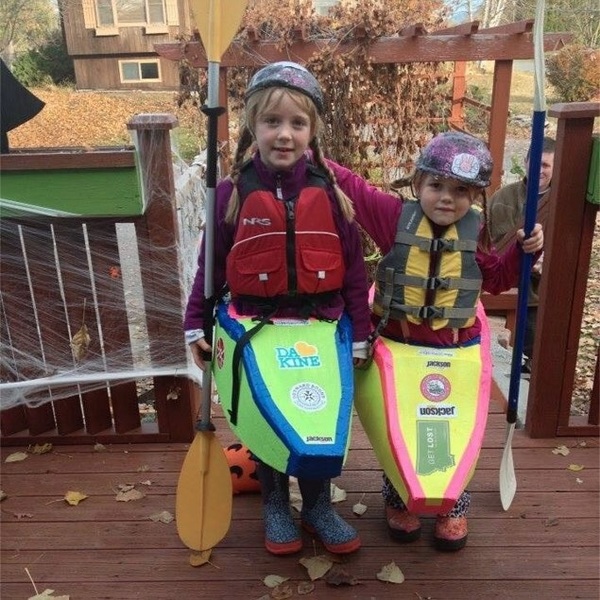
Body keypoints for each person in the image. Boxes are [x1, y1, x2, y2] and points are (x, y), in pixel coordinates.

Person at [183, 62, 371, 556]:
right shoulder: (231, 192)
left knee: (317, 417)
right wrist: (194, 325)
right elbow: (211, 268)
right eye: (272, 122)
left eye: (297, 123)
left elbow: (354, 271)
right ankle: (274, 503)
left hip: (321, 326)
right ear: (252, 126)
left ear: (313, 131)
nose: (284, 134)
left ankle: (317, 505)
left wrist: (359, 333)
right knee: (268, 418)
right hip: (256, 327)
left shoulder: (331, 192)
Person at [328, 131, 544, 551]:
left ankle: (452, 504)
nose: (447, 198)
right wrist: (308, 148)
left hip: (455, 349)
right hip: (399, 345)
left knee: (454, 428)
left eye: (461, 190)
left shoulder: (472, 233)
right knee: (401, 428)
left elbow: (497, 278)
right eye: (436, 186)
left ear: (475, 196)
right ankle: (399, 498)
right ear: (417, 184)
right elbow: (350, 183)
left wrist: (524, 251)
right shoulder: (392, 217)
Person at [488, 137, 556, 372]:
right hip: (499, 286)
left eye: (546, 165)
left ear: (555, 168)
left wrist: (546, 262)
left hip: (537, 294)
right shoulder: (503, 197)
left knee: (536, 355)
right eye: (535, 163)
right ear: (526, 162)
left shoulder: (562, 203)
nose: (539, 170)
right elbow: (485, 241)